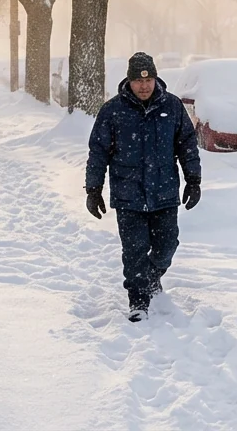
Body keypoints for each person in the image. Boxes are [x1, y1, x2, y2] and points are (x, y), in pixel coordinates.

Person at [85, 52, 202, 321]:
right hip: (128, 194)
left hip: (164, 192)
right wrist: (93, 189)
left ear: (155, 78)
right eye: (138, 80)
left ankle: (150, 278)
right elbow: (98, 152)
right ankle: (138, 301)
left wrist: (193, 180)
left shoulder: (172, 107)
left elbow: (186, 146)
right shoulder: (113, 110)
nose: (144, 86)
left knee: (167, 245)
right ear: (129, 80)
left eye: (148, 80)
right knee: (135, 250)